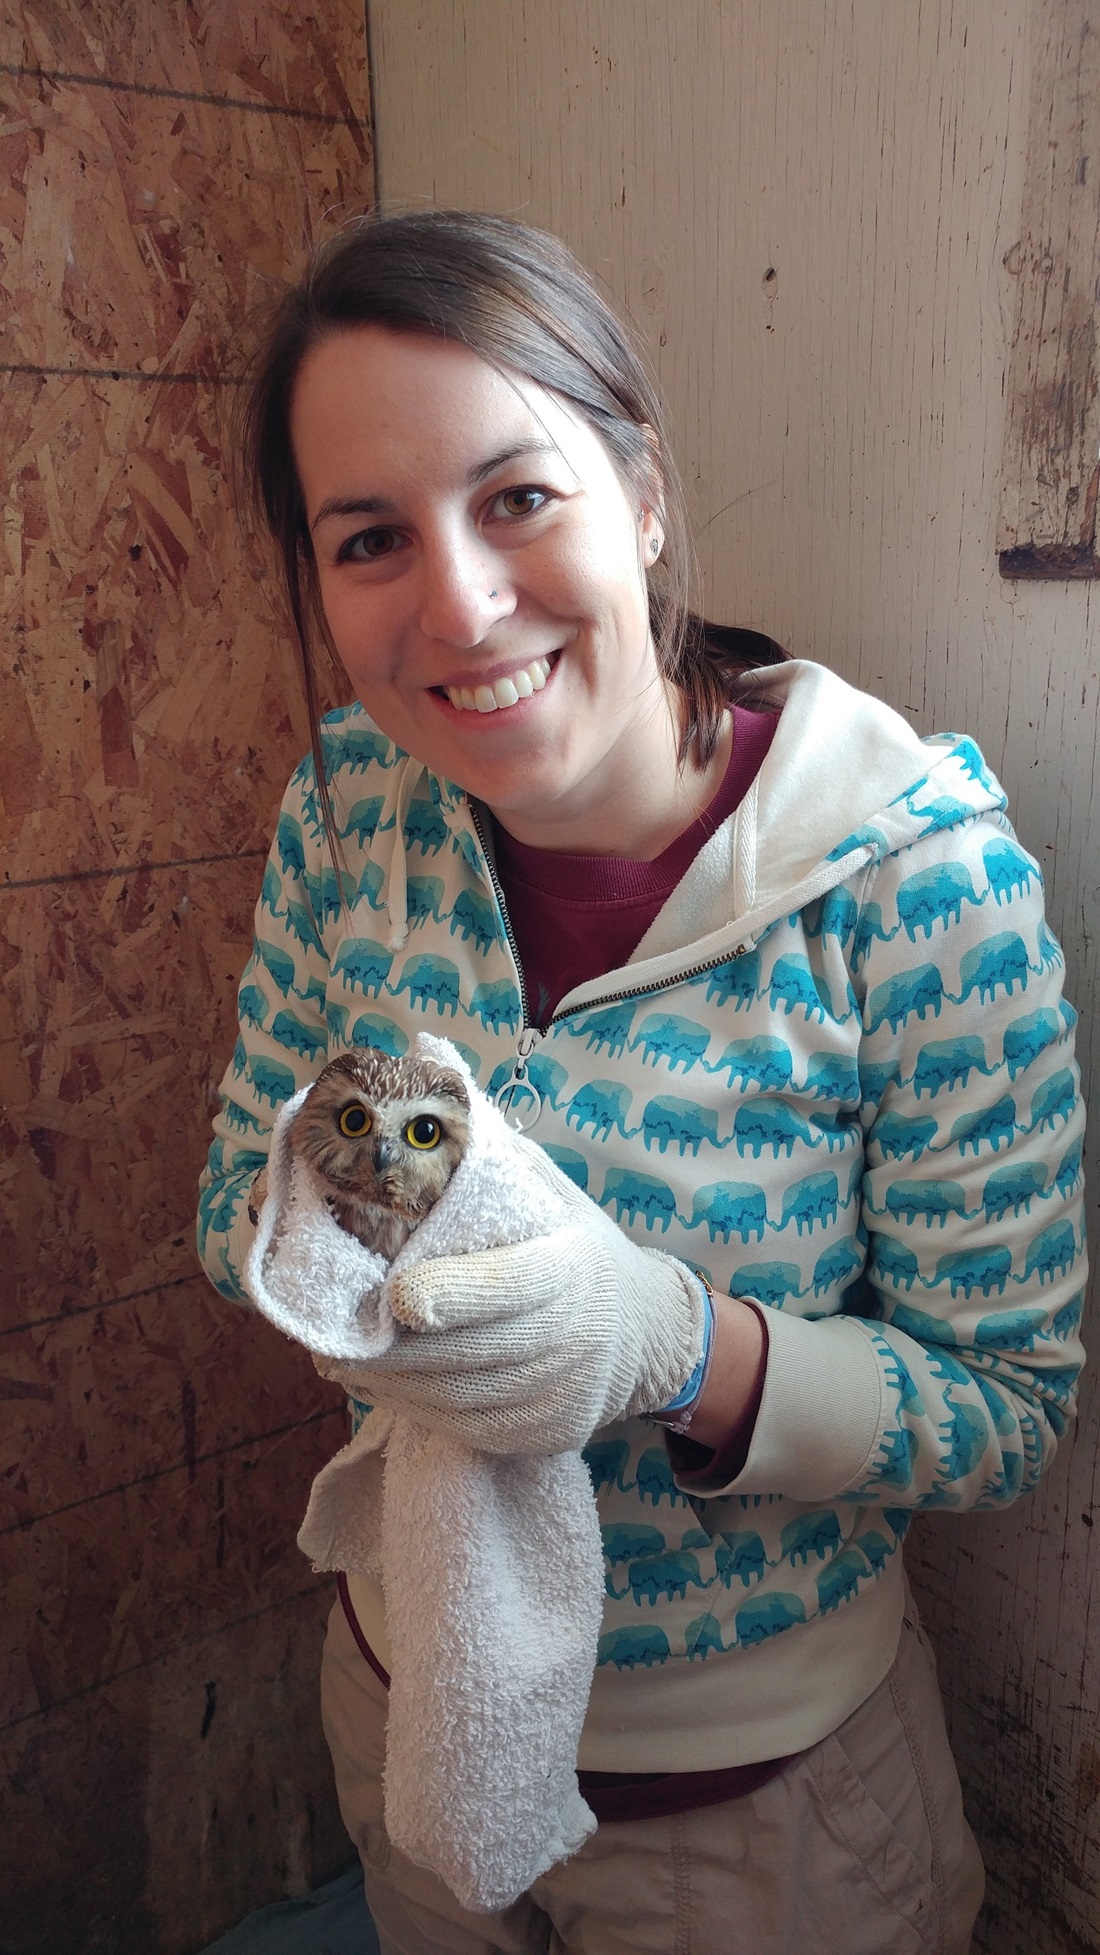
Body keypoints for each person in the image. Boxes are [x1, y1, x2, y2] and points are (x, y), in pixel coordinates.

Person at [197, 209, 1087, 1955]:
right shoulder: (346, 821)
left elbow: (1007, 1408)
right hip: (412, 1728)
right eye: (370, 537)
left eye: (517, 496)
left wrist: (679, 1349)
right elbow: (245, 1186)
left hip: (770, 1829)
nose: (458, 602)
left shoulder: (916, 893)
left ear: (646, 493)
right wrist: (338, 1263)